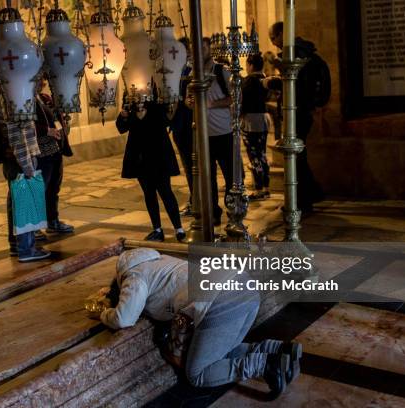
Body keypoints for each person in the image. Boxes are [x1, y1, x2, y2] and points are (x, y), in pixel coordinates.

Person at [89, 248, 302, 399]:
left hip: (221, 301)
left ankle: (265, 365)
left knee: (197, 373)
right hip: (246, 288)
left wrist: (103, 313)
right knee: (220, 350)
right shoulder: (160, 260)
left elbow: (125, 318)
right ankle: (278, 349)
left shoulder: (134, 276)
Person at [266, 22, 328, 212]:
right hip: (300, 110)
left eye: (274, 38)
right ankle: (311, 194)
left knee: (295, 155)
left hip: (298, 111)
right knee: (298, 154)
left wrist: (274, 83)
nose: (274, 43)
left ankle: (304, 200)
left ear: (282, 34)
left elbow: (297, 85)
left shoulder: (296, 54)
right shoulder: (303, 51)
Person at [116, 97, 186, 242]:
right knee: (149, 193)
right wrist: (123, 116)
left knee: (166, 192)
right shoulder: (130, 102)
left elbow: (167, 121)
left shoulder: (158, 103)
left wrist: (168, 107)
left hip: (158, 156)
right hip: (140, 158)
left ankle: (179, 229)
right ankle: (157, 229)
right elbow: (122, 128)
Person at [0, 91, 51, 262]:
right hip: (19, 160)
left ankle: (17, 244)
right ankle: (26, 249)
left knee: (16, 201)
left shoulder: (9, 94)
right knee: (24, 202)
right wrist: (27, 165)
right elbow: (16, 135)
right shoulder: (11, 98)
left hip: (16, 159)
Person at [185, 37, 235, 226]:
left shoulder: (221, 71)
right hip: (203, 136)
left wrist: (212, 103)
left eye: (203, 48)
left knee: (230, 177)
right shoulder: (192, 73)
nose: (199, 51)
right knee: (208, 178)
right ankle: (213, 213)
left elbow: (234, 98)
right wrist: (190, 103)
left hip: (223, 133)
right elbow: (187, 99)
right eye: (195, 48)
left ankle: (233, 212)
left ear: (209, 49)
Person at [35, 77, 75, 236]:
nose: (43, 84)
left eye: (43, 81)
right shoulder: (25, 101)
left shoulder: (45, 98)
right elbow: (26, 125)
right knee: (40, 190)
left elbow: (56, 118)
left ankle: (53, 220)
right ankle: (35, 227)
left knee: (53, 189)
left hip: (55, 149)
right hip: (41, 152)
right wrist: (47, 131)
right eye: (39, 81)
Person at [169, 37, 194, 217]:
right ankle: (196, 199)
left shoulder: (191, 71)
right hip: (178, 124)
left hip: (189, 123)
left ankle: (198, 201)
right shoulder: (173, 71)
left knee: (194, 165)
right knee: (189, 165)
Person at [242, 53, 271, 200]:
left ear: (251, 65)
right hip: (264, 117)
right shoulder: (264, 78)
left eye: (247, 65)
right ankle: (266, 187)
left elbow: (243, 101)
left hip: (252, 121)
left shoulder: (249, 81)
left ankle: (258, 190)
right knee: (262, 154)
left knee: (254, 156)